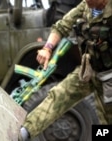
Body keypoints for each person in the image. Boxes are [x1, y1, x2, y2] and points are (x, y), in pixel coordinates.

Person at [19, 0, 112, 140]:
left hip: (109, 76)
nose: (87, 1)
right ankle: (24, 132)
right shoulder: (86, 7)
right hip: (90, 69)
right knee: (59, 95)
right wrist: (47, 48)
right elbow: (62, 26)